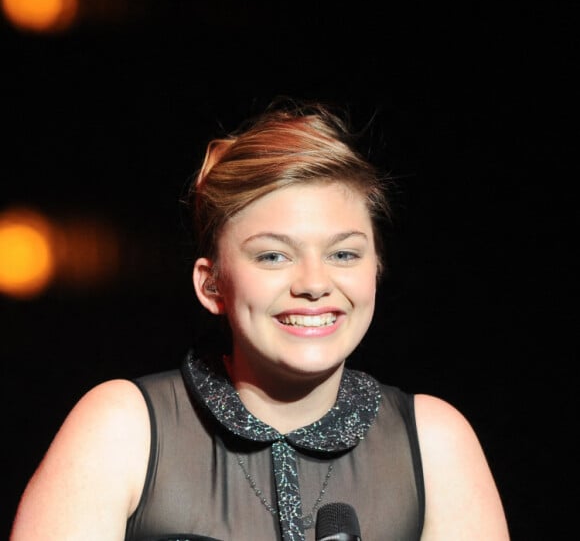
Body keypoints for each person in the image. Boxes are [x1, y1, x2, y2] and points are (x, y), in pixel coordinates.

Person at [10, 99, 510, 540]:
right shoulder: (121, 427)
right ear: (212, 284)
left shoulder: (434, 442)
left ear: (377, 270)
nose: (314, 283)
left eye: (344, 254)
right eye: (273, 256)